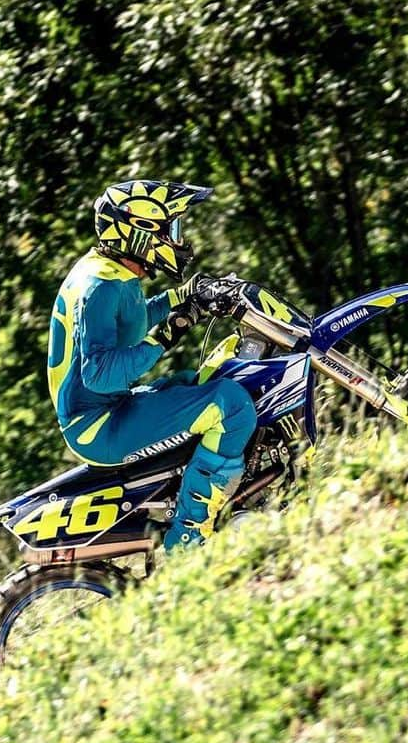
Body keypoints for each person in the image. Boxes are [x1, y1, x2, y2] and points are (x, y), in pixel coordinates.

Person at [47, 179, 256, 550]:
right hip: (97, 427)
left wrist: (184, 295)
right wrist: (167, 334)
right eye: (171, 230)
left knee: (201, 381)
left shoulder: (109, 272)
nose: (178, 241)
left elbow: (131, 320)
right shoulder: (101, 286)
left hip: (108, 412)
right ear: (139, 232)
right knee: (230, 405)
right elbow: (99, 374)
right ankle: (189, 539)